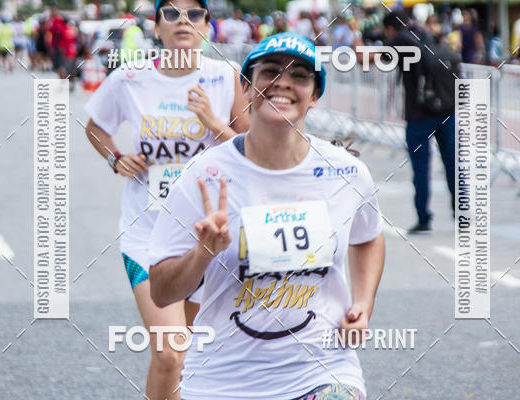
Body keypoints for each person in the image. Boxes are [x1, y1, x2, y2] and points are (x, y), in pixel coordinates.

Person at [149, 32, 386, 400]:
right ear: (246, 86)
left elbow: (369, 236)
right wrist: (202, 253)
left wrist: (363, 303)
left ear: (315, 96)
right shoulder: (204, 175)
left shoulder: (345, 171)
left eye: (300, 76)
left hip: (323, 370)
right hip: (223, 381)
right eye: (271, 71)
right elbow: (162, 293)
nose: (283, 83)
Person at [83, 0, 249, 398]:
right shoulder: (129, 78)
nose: (183, 21)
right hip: (146, 232)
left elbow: (250, 151)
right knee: (170, 352)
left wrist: (212, 122)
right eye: (171, 14)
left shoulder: (225, 76)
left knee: (188, 352)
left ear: (207, 26)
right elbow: (95, 128)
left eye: (194, 14)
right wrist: (116, 158)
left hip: (205, 236)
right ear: (157, 28)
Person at [383, 11, 457, 233]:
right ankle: (462, 214)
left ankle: (424, 218)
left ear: (390, 28)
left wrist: (357, 35)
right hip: (447, 110)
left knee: (421, 168)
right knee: (452, 164)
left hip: (419, 115)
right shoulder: (426, 35)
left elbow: (367, 58)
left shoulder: (400, 40)